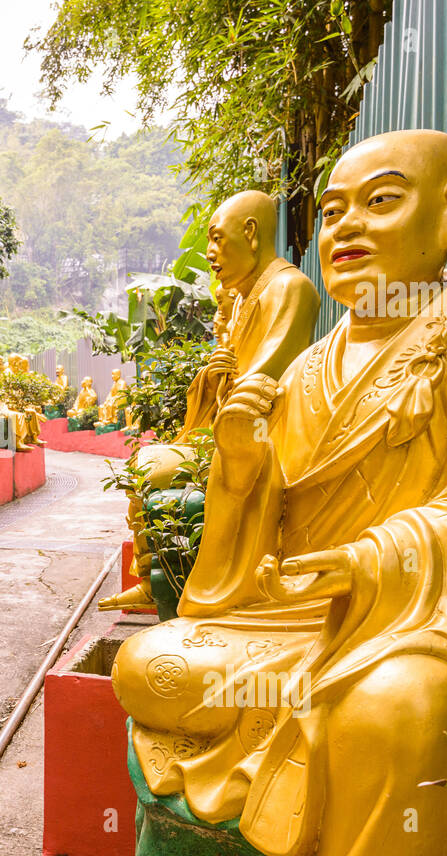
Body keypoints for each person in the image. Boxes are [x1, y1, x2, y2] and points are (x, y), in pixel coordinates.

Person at [111, 130, 447, 856]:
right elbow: (256, 557)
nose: (347, 226)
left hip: (419, 631)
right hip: (292, 626)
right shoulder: (305, 371)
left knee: (397, 711)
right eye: (332, 212)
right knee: (145, 664)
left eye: (380, 201)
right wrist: (240, 474)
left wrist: (371, 562)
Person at [100, 190, 319, 612]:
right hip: (226, 425)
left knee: (150, 465)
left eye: (218, 240)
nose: (211, 255)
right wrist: (213, 376)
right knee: (145, 464)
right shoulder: (242, 300)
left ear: (251, 233)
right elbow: (230, 385)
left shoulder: (290, 288)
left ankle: (171, 581)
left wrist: (231, 382)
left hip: (259, 439)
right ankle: (152, 577)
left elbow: (266, 381)